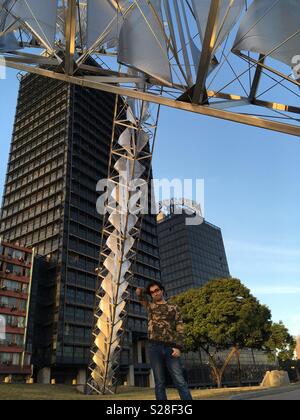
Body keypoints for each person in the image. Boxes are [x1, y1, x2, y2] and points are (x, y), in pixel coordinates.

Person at [136, 281, 193, 401]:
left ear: (162, 290)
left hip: (171, 348)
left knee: (180, 381)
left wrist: (178, 347)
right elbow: (140, 296)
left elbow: (180, 327)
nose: (155, 293)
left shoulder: (174, 307)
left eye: (157, 290)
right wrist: (141, 291)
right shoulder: (150, 306)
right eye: (152, 292)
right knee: (159, 383)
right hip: (154, 348)